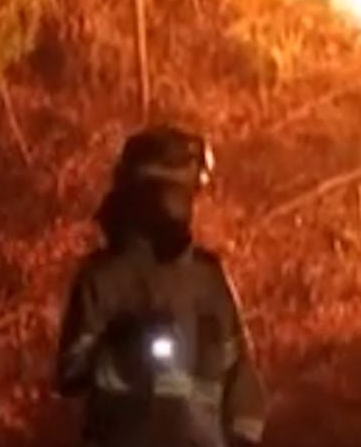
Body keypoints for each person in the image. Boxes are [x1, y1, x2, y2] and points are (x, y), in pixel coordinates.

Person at [56, 126, 267, 447]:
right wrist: (125, 349)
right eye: (174, 194)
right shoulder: (104, 278)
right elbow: (70, 373)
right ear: (142, 196)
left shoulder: (208, 279)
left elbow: (241, 378)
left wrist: (244, 437)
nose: (183, 207)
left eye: (187, 195)